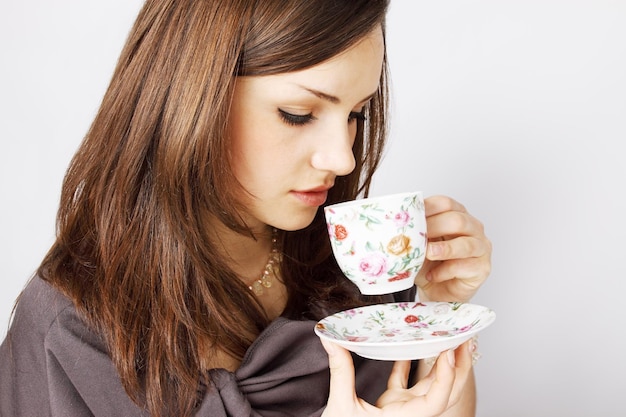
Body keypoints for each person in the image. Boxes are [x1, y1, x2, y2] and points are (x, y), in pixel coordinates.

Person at [0, 1, 492, 416]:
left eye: (356, 114)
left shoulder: (354, 271)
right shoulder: (69, 330)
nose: (342, 158)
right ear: (190, 96)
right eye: (297, 114)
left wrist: (438, 313)